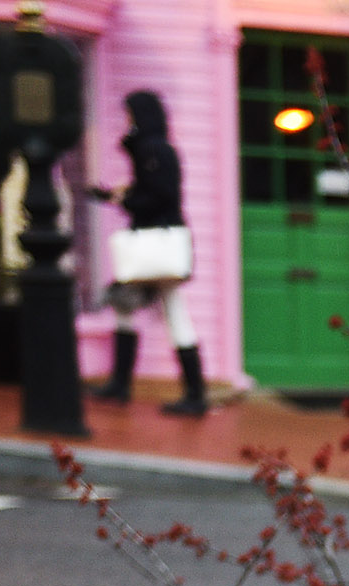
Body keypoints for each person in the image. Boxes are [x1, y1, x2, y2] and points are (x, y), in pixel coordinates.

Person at [93, 91, 206, 416]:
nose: (126, 121)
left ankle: (186, 393)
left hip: (155, 242)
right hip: (156, 242)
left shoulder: (153, 149)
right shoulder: (154, 148)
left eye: (129, 114)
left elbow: (161, 196)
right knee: (140, 308)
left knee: (162, 309)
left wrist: (124, 201)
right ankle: (128, 384)